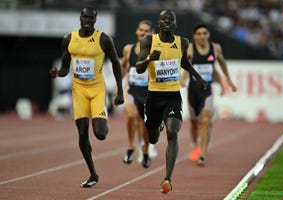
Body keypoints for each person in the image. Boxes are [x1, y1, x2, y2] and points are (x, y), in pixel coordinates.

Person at [49, 7, 124, 188]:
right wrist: (58, 73)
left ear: (95, 20)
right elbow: (66, 67)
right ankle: (93, 173)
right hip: (79, 90)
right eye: (85, 17)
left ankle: (103, 118)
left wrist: (119, 92)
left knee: (100, 134)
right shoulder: (69, 39)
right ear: (80, 18)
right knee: (82, 132)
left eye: (91, 17)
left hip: (97, 89)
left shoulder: (104, 39)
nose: (88, 20)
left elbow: (115, 64)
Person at [136, 9, 207, 194]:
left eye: (170, 19)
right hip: (153, 96)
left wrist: (198, 77)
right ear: (158, 23)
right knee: (152, 138)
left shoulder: (182, 42)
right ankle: (157, 124)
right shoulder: (149, 41)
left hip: (173, 96)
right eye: (163, 19)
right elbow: (138, 68)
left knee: (173, 133)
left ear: (174, 24)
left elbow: (184, 62)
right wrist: (150, 58)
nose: (167, 22)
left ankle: (168, 178)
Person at [181, 23, 237, 167]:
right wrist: (183, 78)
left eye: (204, 33)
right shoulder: (191, 48)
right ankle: (195, 146)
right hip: (193, 90)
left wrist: (228, 81)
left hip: (207, 90)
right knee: (194, 123)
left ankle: (202, 155)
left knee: (205, 120)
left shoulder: (215, 48)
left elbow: (221, 65)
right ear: (194, 36)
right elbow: (186, 66)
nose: (202, 36)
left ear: (208, 35)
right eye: (199, 34)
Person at [121, 20, 157, 168]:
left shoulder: (155, 51)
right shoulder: (128, 49)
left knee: (144, 125)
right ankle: (130, 146)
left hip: (148, 92)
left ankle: (146, 150)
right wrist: (119, 87)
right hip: (132, 89)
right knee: (131, 115)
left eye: (147, 31)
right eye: (141, 30)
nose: (143, 33)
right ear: (137, 31)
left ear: (152, 34)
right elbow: (124, 67)